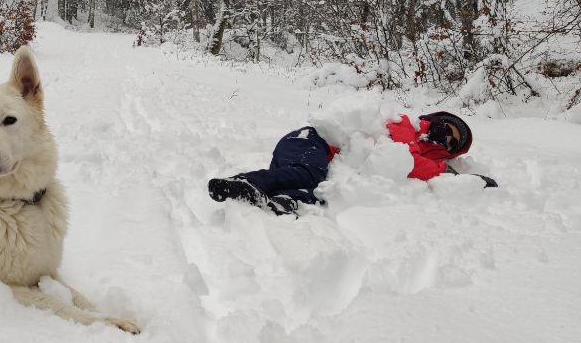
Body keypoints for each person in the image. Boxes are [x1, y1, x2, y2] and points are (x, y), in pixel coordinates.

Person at [207, 111, 497, 215]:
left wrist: (470, 181)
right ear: (435, 121)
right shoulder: (401, 124)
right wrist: (445, 171)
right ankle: (245, 182)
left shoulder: (422, 154)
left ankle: (284, 201)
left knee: (317, 191)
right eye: (447, 130)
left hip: (322, 158)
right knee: (308, 172)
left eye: (452, 144)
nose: (446, 139)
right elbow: (407, 161)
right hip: (311, 140)